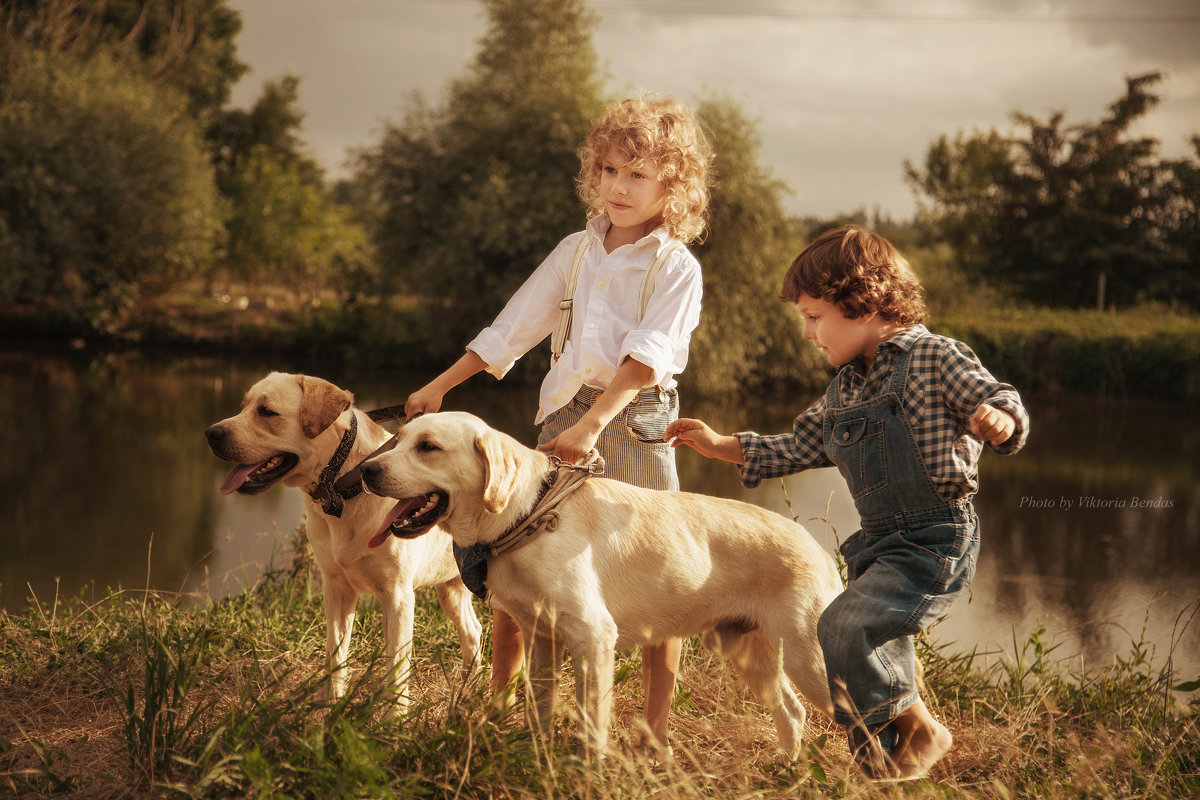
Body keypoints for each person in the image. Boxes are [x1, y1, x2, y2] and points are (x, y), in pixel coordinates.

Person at [405, 94, 714, 755]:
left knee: (661, 574)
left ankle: (653, 731)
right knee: (521, 561)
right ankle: (516, 708)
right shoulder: (576, 249)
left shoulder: (676, 266)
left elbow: (645, 358)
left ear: (673, 185)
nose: (618, 187)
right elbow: (514, 326)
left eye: (637, 174)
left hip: (632, 423)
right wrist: (439, 386)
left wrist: (594, 427)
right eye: (607, 170)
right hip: (560, 418)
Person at [664, 226, 1028, 780]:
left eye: (814, 316)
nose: (807, 333)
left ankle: (925, 733)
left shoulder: (934, 357)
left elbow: (1000, 397)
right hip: (879, 542)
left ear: (863, 302)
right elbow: (801, 445)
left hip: (936, 538)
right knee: (874, 651)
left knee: (841, 625)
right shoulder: (844, 390)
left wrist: (1000, 421)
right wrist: (719, 446)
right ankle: (881, 769)